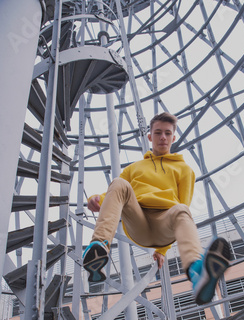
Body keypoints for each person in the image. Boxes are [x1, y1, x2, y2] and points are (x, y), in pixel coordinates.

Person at [83, 112, 230, 305]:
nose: (163, 137)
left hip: (164, 224)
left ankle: (197, 271)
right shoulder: (134, 168)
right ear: (150, 137)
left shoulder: (184, 170)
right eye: (158, 132)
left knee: (181, 210)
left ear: (173, 137)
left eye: (167, 133)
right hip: (139, 221)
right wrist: (98, 199)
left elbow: (183, 205)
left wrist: (162, 250)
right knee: (119, 182)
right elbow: (114, 193)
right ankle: (99, 248)